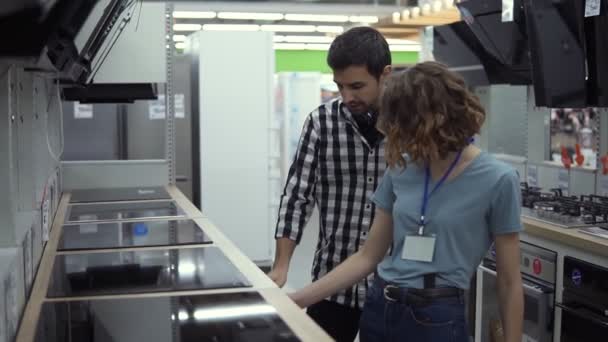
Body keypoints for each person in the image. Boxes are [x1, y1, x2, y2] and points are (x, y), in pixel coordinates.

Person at [290, 62, 524, 342]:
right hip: (379, 307)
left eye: (405, 128)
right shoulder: (401, 169)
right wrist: (295, 300)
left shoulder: (498, 180)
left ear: (433, 121)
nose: (396, 138)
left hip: (436, 318)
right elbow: (367, 257)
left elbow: (509, 282)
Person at [268, 26, 392, 342]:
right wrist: (282, 266)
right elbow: (297, 194)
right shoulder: (321, 122)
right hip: (331, 284)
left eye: (357, 86)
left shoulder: (407, 126)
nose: (347, 96)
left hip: (392, 290)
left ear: (385, 75)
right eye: (340, 86)